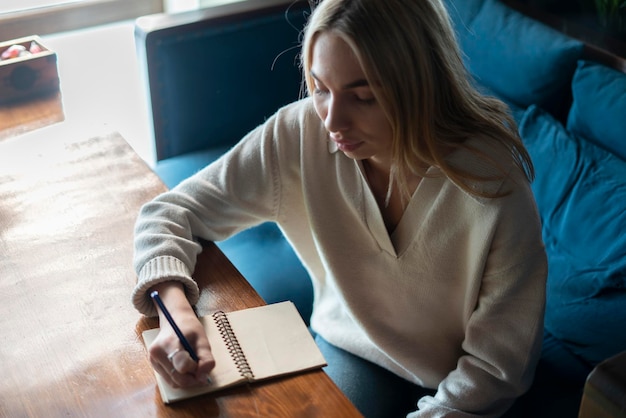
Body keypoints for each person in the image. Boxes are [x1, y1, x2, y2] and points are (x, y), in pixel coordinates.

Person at [131, 0, 547, 416]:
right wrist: (175, 312)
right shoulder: (299, 135)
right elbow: (168, 212)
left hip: (459, 386)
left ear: (422, 85)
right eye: (321, 89)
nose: (332, 121)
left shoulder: (491, 180)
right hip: (345, 353)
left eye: (363, 96)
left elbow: (496, 370)